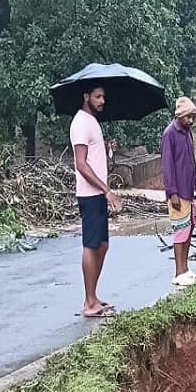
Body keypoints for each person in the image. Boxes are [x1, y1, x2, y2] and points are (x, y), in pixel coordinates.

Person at [71, 82, 122, 318]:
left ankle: (92, 296)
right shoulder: (80, 122)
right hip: (90, 195)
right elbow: (81, 164)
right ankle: (89, 302)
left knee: (102, 245)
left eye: (104, 96)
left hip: (97, 194)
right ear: (86, 96)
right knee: (92, 245)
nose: (102, 101)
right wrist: (106, 190)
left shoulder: (91, 122)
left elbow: (94, 157)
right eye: (98, 96)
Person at [162, 97, 196, 287]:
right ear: (179, 116)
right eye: (188, 117)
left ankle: (186, 268)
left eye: (193, 117)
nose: (191, 121)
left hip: (190, 189)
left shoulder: (187, 132)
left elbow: (191, 158)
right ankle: (178, 272)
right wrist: (172, 192)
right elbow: (167, 166)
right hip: (178, 191)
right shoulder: (170, 134)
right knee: (180, 231)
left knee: (189, 228)